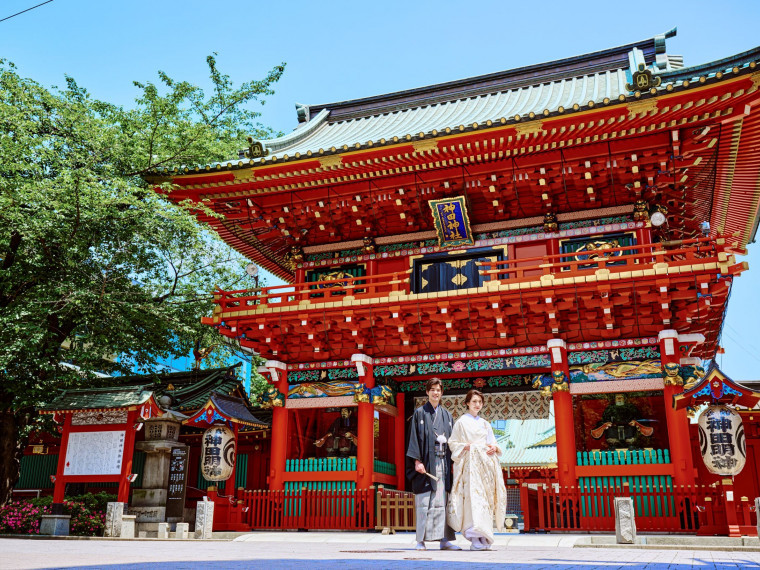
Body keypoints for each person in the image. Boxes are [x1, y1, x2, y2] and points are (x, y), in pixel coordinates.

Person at [446, 389, 507, 551]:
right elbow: (452, 443)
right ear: (467, 403)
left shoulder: (485, 423)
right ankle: (474, 537)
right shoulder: (461, 422)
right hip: (469, 466)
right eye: (474, 401)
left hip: (484, 466)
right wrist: (464, 446)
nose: (477, 405)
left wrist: (494, 448)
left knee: (485, 500)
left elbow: (493, 443)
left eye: (479, 402)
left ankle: (484, 535)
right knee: (472, 499)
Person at [406, 377, 461, 551]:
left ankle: (444, 540)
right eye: (432, 390)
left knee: (442, 501)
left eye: (438, 390)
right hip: (426, 464)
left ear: (442, 392)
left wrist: (454, 463)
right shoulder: (419, 413)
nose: (435, 393)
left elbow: (454, 441)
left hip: (443, 463)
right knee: (424, 501)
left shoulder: (447, 415)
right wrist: (417, 461)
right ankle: (420, 540)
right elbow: (413, 438)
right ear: (427, 392)